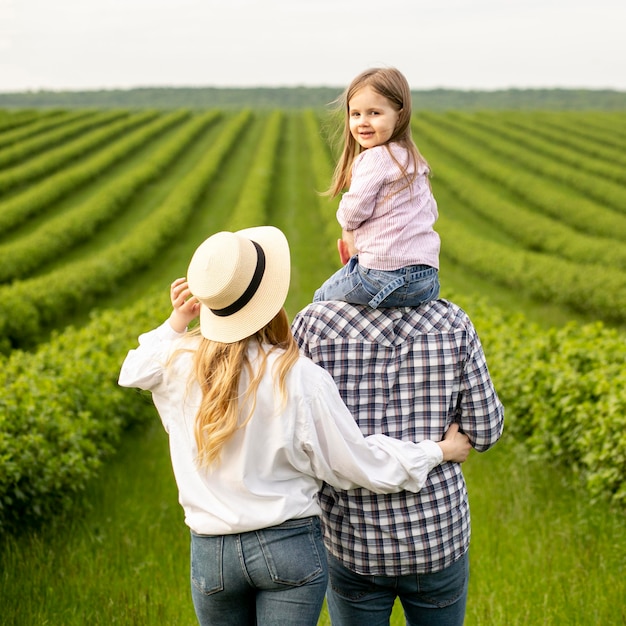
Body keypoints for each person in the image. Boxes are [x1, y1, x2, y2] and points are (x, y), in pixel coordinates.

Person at [118, 226, 472, 626]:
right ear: (270, 298)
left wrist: (176, 322)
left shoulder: (176, 363)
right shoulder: (296, 377)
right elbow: (355, 465)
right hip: (287, 546)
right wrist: (436, 451)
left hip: (210, 553)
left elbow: (132, 369)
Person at [293, 235, 505, 626]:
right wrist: (446, 442)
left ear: (345, 254)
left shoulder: (314, 324)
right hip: (437, 536)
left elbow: (292, 429)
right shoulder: (453, 322)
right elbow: (487, 430)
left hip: (353, 539)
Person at [314, 67, 441, 310]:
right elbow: (431, 213)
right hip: (427, 279)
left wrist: (345, 224)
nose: (363, 122)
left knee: (321, 300)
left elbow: (353, 213)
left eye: (374, 113)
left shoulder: (376, 158)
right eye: (356, 114)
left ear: (399, 116)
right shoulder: (415, 162)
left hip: (383, 276)